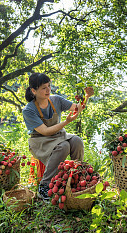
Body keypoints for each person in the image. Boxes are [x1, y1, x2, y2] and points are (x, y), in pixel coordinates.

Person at [22, 72, 94, 201]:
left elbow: (77, 108)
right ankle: (44, 186)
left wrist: (87, 96)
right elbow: (45, 132)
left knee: (77, 140)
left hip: (58, 135)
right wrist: (66, 122)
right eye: (44, 88)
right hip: (41, 140)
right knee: (64, 146)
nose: (48, 90)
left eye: (49, 86)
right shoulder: (29, 110)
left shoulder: (56, 100)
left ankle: (78, 175)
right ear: (33, 90)